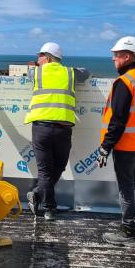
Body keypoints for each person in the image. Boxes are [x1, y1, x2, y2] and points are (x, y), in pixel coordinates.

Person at [97, 36, 135, 243]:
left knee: (126, 187)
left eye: (116, 56)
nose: (113, 59)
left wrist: (106, 147)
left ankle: (127, 231)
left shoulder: (124, 82)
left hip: (127, 144)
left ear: (127, 56)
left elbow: (118, 119)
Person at [24, 42, 90, 221]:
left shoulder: (36, 73)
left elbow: (30, 71)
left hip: (41, 128)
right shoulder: (70, 73)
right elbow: (86, 72)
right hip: (63, 128)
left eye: (40, 56)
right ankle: (49, 208)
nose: (38, 60)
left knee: (46, 171)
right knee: (59, 166)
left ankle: (38, 195)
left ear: (48, 57)